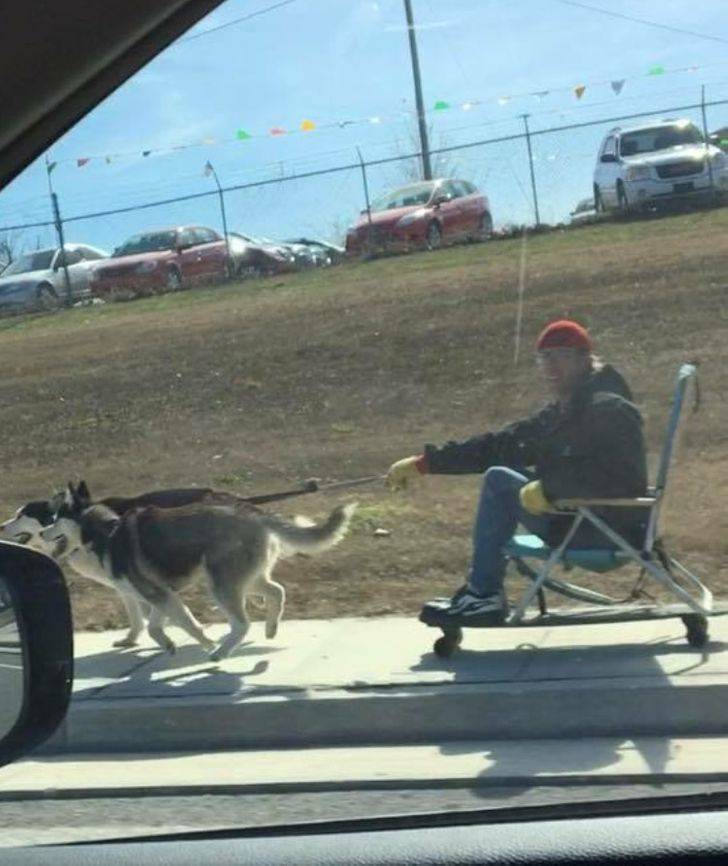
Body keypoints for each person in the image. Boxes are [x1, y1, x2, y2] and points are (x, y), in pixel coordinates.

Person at [385, 319, 647, 624]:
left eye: (561, 355)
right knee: (501, 469)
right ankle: (482, 594)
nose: (551, 365)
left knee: (498, 481)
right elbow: (500, 445)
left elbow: (625, 478)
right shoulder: (564, 412)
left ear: (584, 359)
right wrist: (427, 463)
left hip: (605, 531)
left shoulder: (610, 409)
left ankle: (483, 594)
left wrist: (551, 488)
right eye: (544, 357)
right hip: (577, 521)